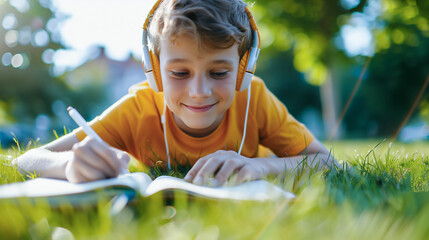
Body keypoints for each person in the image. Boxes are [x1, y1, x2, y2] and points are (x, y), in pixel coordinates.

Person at [14, 0, 337, 186]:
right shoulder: (137, 109)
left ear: (244, 67)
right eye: (179, 73)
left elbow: (327, 162)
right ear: (153, 69)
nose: (199, 92)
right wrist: (70, 166)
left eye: (219, 72)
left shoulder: (254, 98)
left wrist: (264, 167)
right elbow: (29, 158)